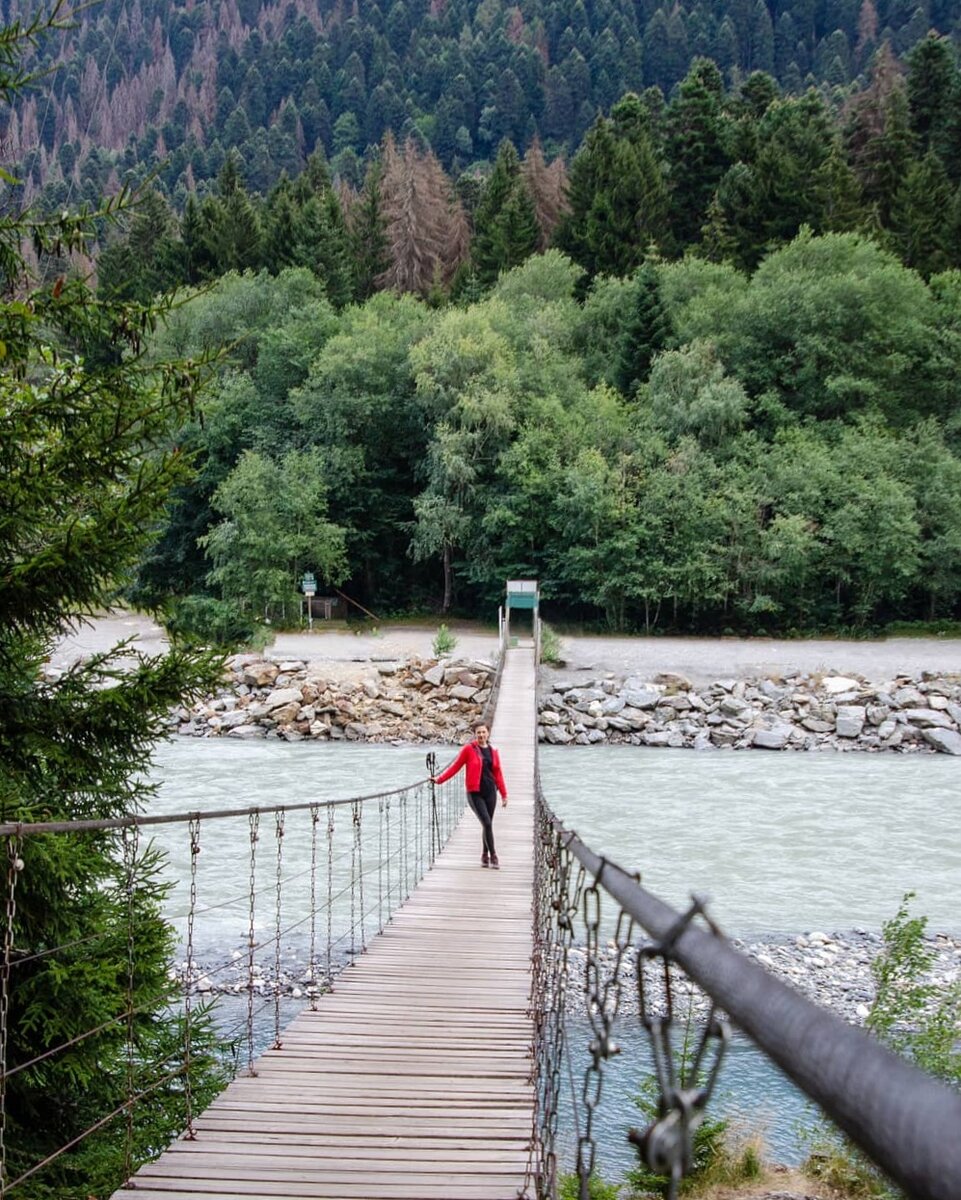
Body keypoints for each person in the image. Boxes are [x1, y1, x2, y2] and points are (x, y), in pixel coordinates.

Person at [432, 721, 508, 868]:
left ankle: (484, 855)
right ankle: (493, 856)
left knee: (488, 825)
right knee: (486, 822)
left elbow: (498, 774)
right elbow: (455, 767)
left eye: (483, 732)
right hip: (475, 793)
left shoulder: (493, 751)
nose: (481, 735)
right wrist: (439, 779)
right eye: (478, 732)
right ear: (475, 734)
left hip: (490, 792)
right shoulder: (469, 750)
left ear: (488, 733)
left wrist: (504, 794)